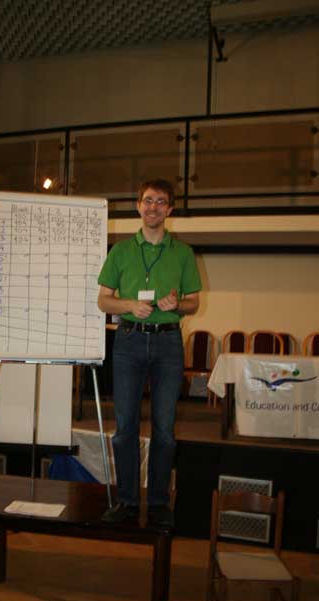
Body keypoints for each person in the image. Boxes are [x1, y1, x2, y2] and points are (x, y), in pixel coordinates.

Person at [97, 178, 202, 527]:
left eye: (160, 201)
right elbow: (103, 300)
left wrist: (177, 305)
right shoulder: (121, 251)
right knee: (125, 427)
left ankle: (158, 503)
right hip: (128, 342)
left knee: (164, 429)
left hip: (168, 344)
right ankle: (127, 501)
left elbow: (193, 302)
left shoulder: (183, 253)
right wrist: (128, 304)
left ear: (169, 209)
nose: (153, 207)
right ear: (138, 206)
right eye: (148, 200)